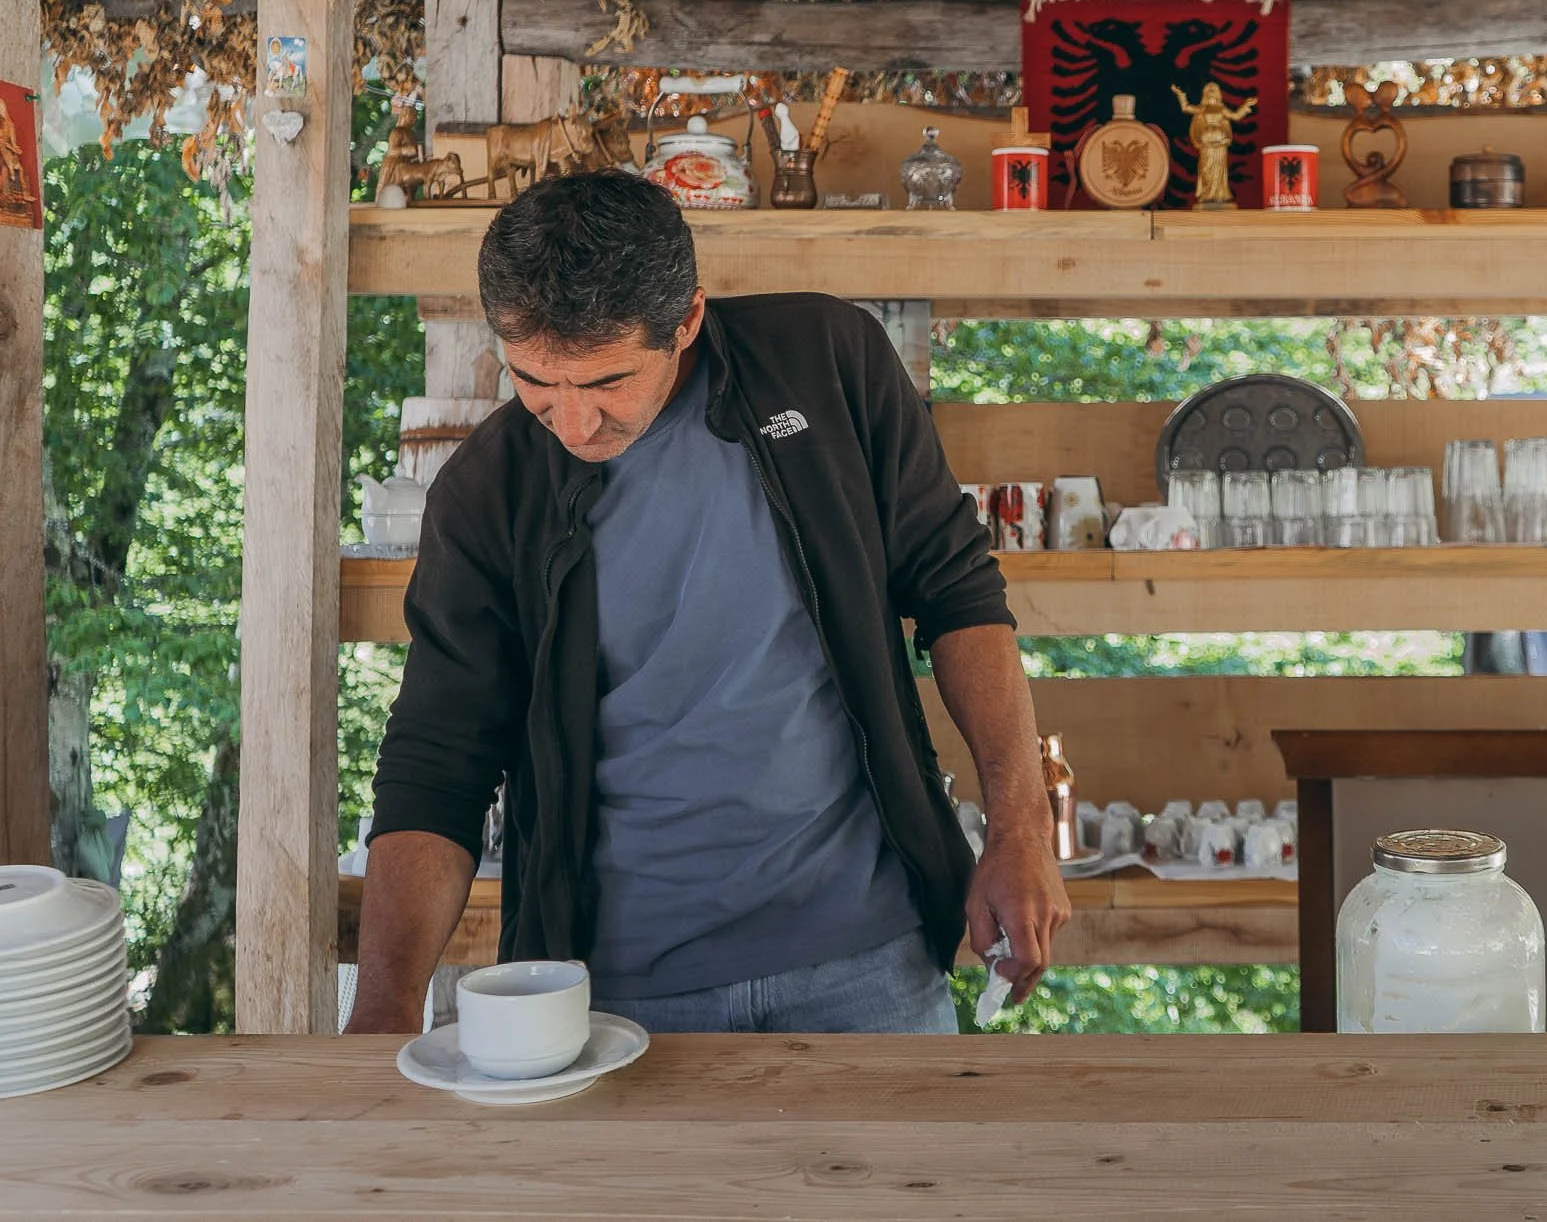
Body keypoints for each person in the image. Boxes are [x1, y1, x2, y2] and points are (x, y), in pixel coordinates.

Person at [345, 172, 1068, 1034]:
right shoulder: (485, 494)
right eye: (537, 381)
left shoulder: (829, 361)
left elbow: (957, 592)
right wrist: (384, 1005)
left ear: (687, 319)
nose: (573, 425)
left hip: (869, 961)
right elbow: (439, 761)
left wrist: (1019, 830)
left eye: (607, 381)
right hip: (614, 992)